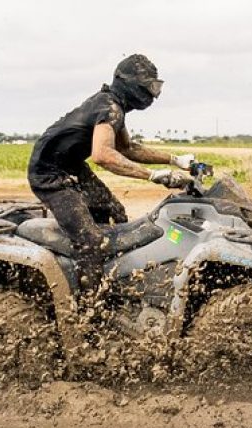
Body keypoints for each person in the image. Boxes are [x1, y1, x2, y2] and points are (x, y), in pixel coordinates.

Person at [27, 54, 195, 296]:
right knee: (92, 241)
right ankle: (88, 305)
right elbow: (103, 154)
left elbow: (127, 149)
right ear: (131, 84)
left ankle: (112, 275)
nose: (153, 93)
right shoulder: (109, 107)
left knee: (114, 214)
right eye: (149, 86)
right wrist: (153, 176)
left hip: (71, 167)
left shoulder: (114, 106)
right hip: (49, 174)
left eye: (156, 86)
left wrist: (174, 160)